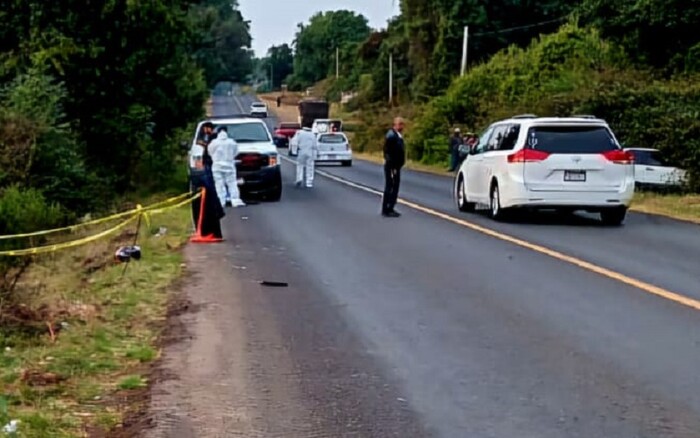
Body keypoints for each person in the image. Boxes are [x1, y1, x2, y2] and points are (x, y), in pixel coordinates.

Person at [189, 141, 225, 239]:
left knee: (208, 209)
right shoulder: (200, 151)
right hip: (203, 182)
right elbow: (198, 164)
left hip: (205, 184)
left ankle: (209, 232)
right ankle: (207, 232)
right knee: (205, 208)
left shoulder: (206, 154)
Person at [208, 128, 245, 208]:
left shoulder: (214, 143)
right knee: (232, 183)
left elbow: (210, 152)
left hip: (217, 166)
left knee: (219, 184)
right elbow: (236, 152)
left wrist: (215, 159)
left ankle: (221, 201)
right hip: (229, 165)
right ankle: (235, 200)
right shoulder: (232, 142)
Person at [382, 117, 406, 217]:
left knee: (394, 186)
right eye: (399, 124)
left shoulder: (398, 136)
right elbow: (387, 151)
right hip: (392, 166)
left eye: (402, 124)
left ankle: (390, 207)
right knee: (391, 186)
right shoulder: (391, 136)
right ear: (394, 125)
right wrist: (392, 165)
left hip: (396, 166)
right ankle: (387, 208)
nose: (401, 126)